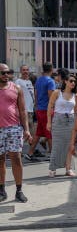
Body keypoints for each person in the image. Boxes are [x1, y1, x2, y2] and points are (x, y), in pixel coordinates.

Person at [0, 63, 32, 203]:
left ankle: (19, 191)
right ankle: (2, 190)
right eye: (3, 73)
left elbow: (23, 110)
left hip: (14, 128)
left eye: (8, 72)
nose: (6, 75)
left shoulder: (16, 88)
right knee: (0, 160)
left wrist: (26, 129)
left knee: (16, 159)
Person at [46, 73, 77, 177]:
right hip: (58, 120)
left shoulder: (76, 95)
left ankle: (68, 168)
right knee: (57, 145)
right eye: (71, 81)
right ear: (65, 81)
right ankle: (53, 168)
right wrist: (49, 121)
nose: (73, 83)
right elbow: (50, 107)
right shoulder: (57, 92)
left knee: (70, 146)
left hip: (71, 120)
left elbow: (76, 111)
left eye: (74, 81)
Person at [30, 62, 56, 159]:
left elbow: (35, 95)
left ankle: (30, 152)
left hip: (39, 109)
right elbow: (51, 97)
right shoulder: (50, 81)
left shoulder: (39, 80)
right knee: (49, 133)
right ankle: (53, 155)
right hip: (47, 110)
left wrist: (36, 106)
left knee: (39, 133)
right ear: (51, 69)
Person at [15, 65, 36, 156]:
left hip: (30, 110)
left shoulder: (29, 82)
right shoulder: (18, 81)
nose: (25, 71)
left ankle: (28, 151)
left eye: (27, 70)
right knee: (27, 132)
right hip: (24, 110)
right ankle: (18, 151)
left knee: (30, 132)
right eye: (23, 70)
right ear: (20, 71)